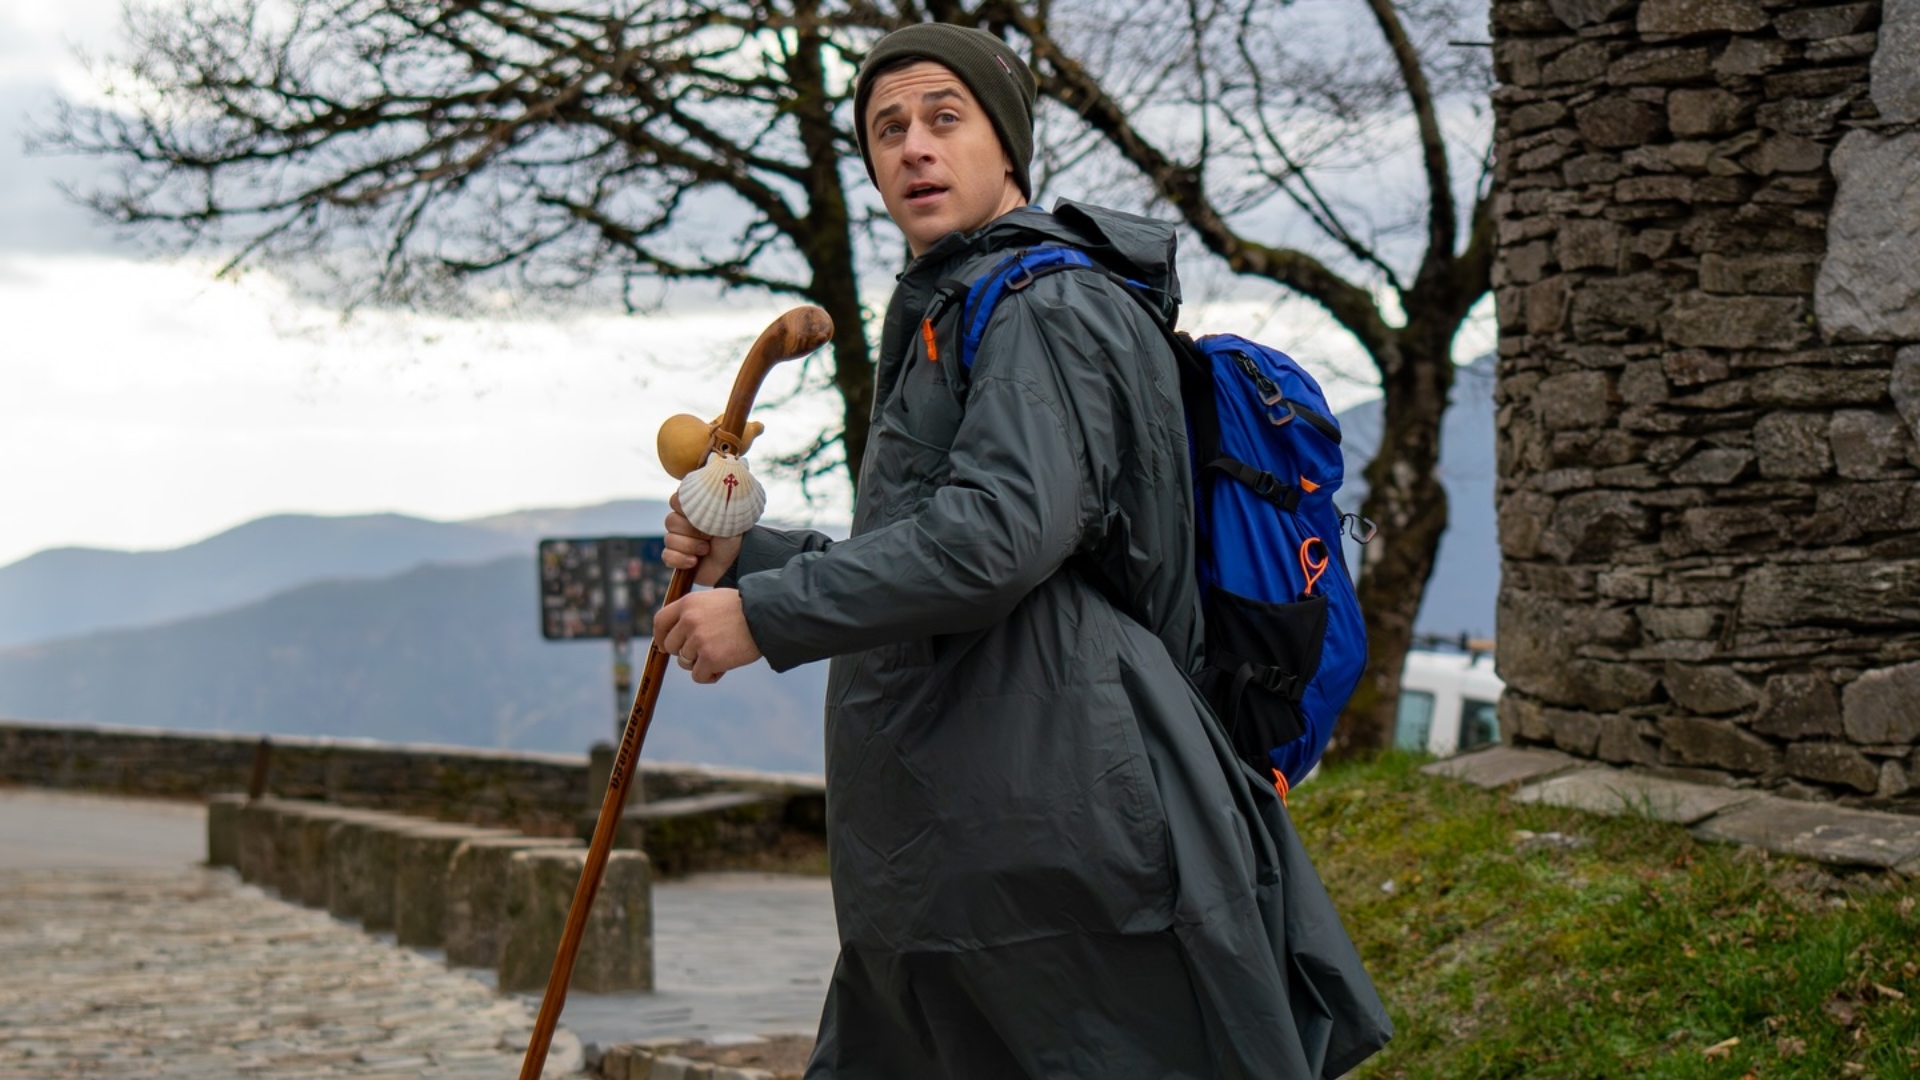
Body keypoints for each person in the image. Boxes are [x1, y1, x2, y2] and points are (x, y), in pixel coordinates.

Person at [655, 23, 1390, 1079]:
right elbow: (934, 546)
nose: (914, 146)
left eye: (945, 119)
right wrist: (755, 562)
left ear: (1008, 146)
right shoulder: (966, 303)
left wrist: (766, 620)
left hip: (1054, 818)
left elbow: (998, 540)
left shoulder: (1043, 303)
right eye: (888, 128)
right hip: (989, 810)